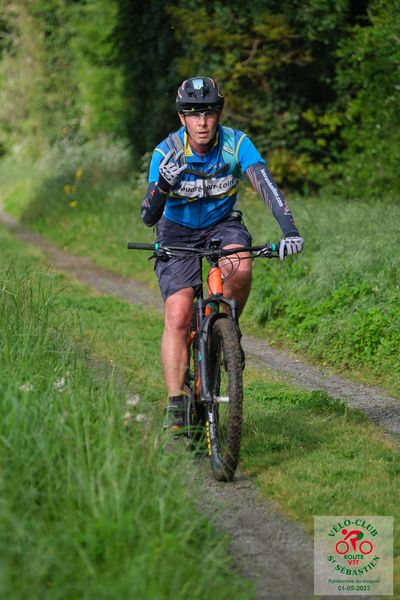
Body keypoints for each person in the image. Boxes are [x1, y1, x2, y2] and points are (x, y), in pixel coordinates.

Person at [140, 76, 303, 431]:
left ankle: (228, 329)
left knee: (240, 267)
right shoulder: (165, 152)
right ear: (182, 117)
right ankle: (175, 401)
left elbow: (267, 186)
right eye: (193, 114)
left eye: (209, 113)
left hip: (222, 224)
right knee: (179, 312)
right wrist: (163, 185)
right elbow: (148, 216)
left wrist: (289, 231)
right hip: (176, 229)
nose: (202, 122)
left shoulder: (235, 144)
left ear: (219, 114)